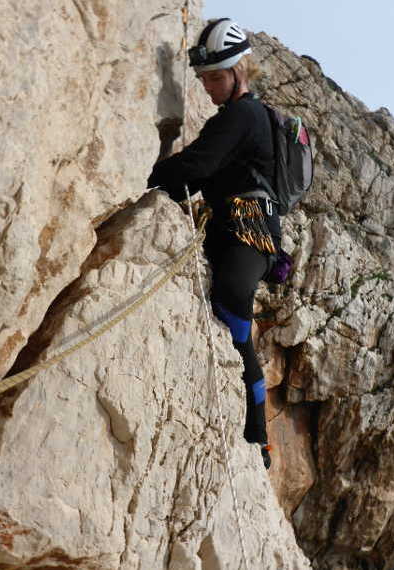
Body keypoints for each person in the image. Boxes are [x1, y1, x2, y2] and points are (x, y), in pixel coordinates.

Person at [147, 18, 279, 469]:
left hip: (251, 224)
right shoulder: (233, 117)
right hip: (231, 222)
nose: (207, 87)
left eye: (216, 77)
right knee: (226, 299)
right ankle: (254, 427)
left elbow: (198, 165)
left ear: (240, 72)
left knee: (232, 295)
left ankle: (258, 433)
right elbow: (202, 167)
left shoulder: (246, 114)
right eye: (203, 79)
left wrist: (149, 175)